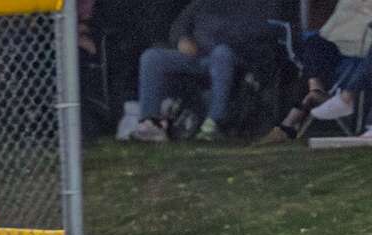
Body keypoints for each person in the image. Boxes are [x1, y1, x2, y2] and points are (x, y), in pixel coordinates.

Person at [130, 0, 278, 142]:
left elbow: (259, 32)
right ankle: (151, 122)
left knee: (221, 53)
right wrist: (182, 39)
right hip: (198, 56)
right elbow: (179, 25)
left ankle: (213, 123)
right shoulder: (204, 3)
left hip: (234, 57)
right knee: (152, 57)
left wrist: (213, 41)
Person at [259, 0, 372, 143]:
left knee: (314, 55)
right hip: (337, 44)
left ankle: (288, 124)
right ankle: (316, 90)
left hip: (359, 52)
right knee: (314, 43)